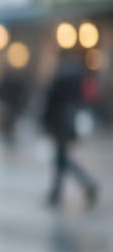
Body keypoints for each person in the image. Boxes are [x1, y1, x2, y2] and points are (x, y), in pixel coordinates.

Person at [41, 55, 98, 208]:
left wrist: (44, 122)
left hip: (59, 124)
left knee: (61, 159)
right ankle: (56, 192)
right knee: (61, 158)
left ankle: (85, 183)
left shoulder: (59, 79)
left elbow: (50, 102)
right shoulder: (78, 80)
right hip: (70, 123)